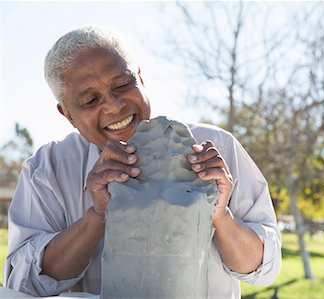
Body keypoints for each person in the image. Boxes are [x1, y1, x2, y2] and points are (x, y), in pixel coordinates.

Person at [2, 26, 281, 298]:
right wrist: (97, 216)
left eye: (123, 84)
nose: (114, 106)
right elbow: (22, 283)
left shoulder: (217, 149)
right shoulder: (46, 170)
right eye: (90, 100)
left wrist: (220, 215)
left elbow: (264, 269)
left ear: (140, 79)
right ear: (68, 115)